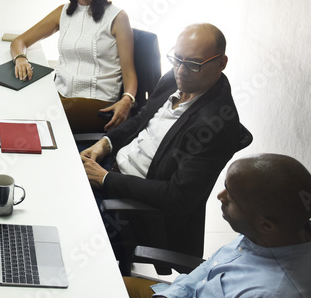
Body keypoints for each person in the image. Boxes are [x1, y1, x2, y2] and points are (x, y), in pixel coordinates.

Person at [80, 23, 249, 272]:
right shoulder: (175, 78)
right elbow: (141, 119)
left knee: (72, 227)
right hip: (110, 167)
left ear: (221, 63)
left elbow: (176, 197)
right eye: (177, 59)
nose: (181, 71)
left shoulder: (216, 126)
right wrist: (104, 145)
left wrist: (105, 179)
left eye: (193, 64)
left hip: (132, 204)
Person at [122, 154, 311, 298]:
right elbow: (214, 264)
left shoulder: (269, 293)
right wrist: (172, 295)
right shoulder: (282, 232)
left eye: (231, 198)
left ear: (266, 225)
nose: (220, 196)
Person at [9, 0, 138, 133]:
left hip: (98, 101)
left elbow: (130, 73)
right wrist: (21, 58)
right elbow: (19, 41)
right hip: (62, 93)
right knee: (15, 103)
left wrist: (127, 100)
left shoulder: (117, 17)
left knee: (32, 119)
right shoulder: (64, 12)